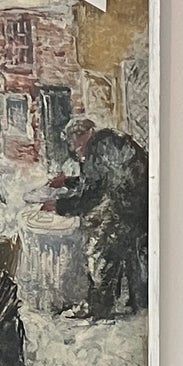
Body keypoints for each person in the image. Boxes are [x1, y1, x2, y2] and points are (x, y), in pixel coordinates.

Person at [43, 115, 148, 320]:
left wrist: (59, 206)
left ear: (83, 135)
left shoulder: (97, 149)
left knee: (99, 251)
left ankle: (98, 309)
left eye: (75, 144)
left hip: (126, 207)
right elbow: (98, 180)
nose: (74, 150)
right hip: (141, 205)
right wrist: (68, 181)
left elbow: (92, 194)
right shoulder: (109, 141)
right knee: (129, 253)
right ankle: (137, 303)